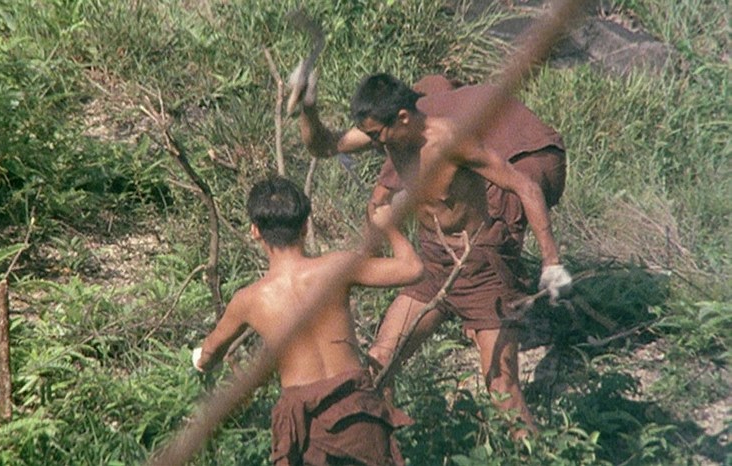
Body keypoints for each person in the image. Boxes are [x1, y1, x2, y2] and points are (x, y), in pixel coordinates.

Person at [291, 70, 572, 435]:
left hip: (482, 271)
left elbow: (525, 186)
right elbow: (324, 146)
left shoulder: (451, 140)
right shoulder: (388, 133)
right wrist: (308, 108)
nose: (375, 143)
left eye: (377, 134)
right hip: (433, 266)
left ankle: (536, 455)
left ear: (403, 118)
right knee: (380, 363)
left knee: (502, 390)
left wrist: (551, 262)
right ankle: (387, 452)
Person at [192, 176, 423, 465]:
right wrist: (389, 226)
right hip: (355, 408)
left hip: (303, 420)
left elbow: (210, 353)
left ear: (255, 231)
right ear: (305, 226)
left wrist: (200, 361)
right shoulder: (337, 267)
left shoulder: (249, 300)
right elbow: (412, 269)